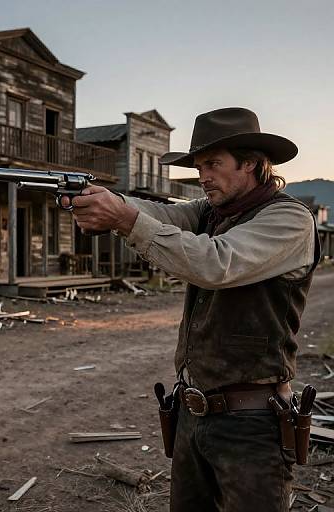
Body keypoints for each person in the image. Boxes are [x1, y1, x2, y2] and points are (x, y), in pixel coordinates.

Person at [64, 107, 320, 512]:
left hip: (252, 423)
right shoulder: (209, 212)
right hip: (192, 411)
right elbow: (158, 214)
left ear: (251, 163)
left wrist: (125, 218)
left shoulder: (290, 218)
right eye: (199, 166)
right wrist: (105, 203)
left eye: (213, 165)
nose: (203, 176)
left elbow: (215, 263)